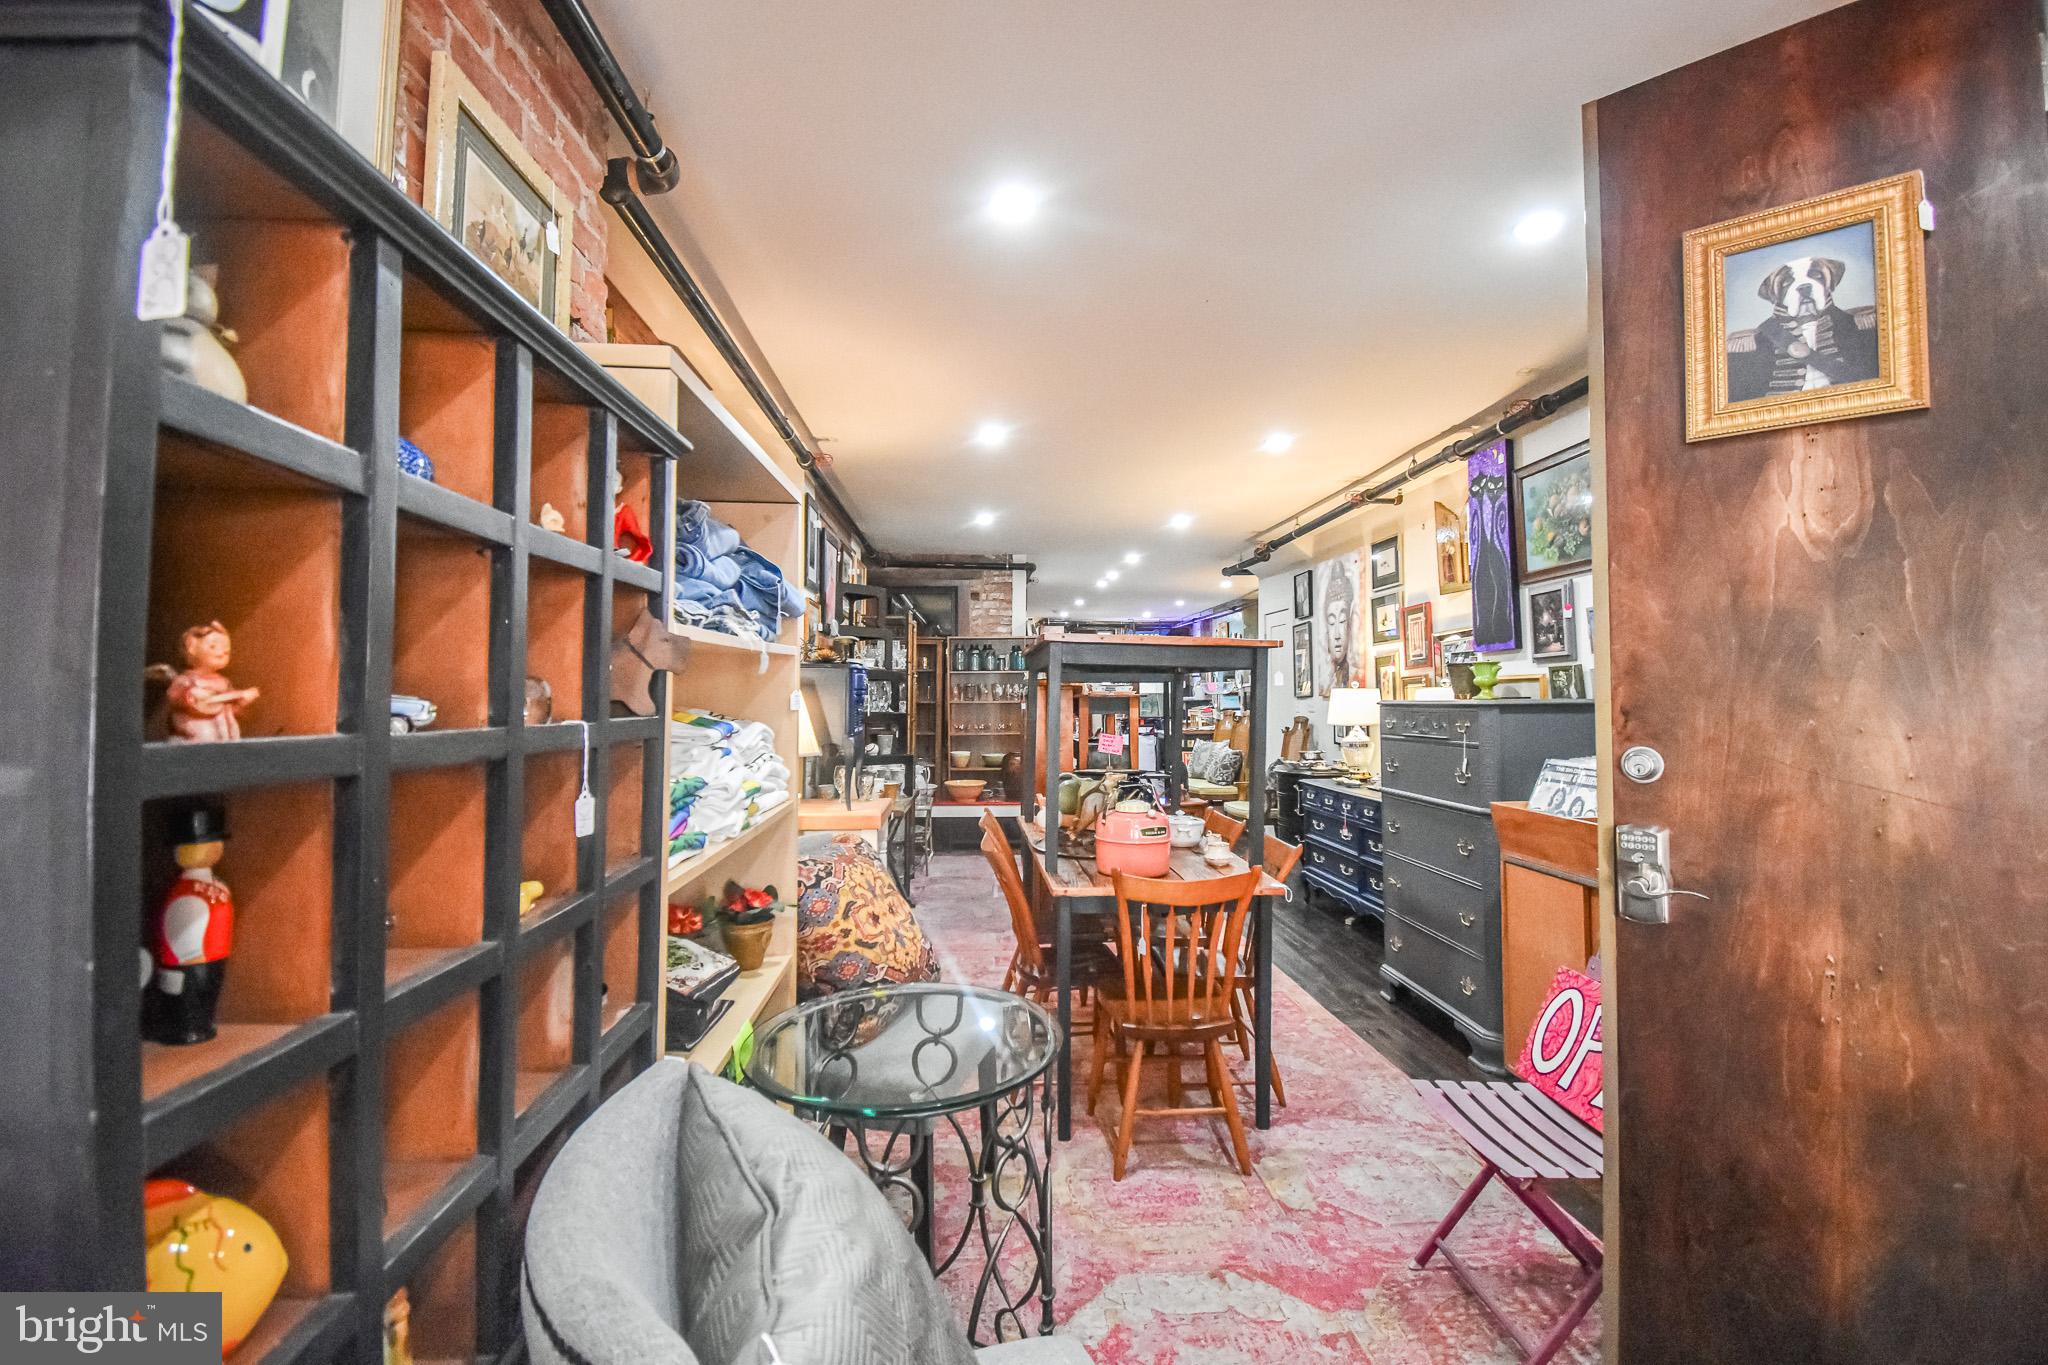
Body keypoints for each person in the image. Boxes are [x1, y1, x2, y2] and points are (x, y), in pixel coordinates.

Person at [1320, 557, 1356, 697]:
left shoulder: (1355, 673)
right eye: (1331, 622)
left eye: (1342, 621)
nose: (1336, 635)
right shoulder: (1326, 679)